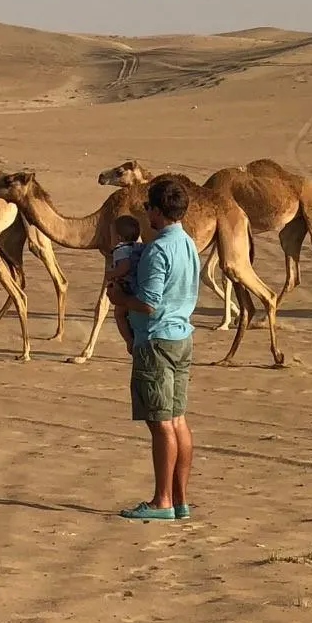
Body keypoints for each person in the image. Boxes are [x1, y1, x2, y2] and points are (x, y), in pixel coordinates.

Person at [107, 177, 200, 521]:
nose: (147, 213)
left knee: (161, 423)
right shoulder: (187, 242)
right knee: (177, 420)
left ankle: (163, 501)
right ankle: (179, 499)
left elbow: (148, 302)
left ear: (158, 211)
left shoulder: (159, 249)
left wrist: (119, 299)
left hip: (157, 340)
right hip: (181, 337)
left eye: (149, 207)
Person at [104, 215, 144, 355]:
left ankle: (129, 341)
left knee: (119, 314)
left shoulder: (120, 250)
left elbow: (124, 267)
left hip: (126, 288)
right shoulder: (138, 246)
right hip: (138, 286)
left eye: (112, 235)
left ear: (119, 238)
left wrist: (112, 274)